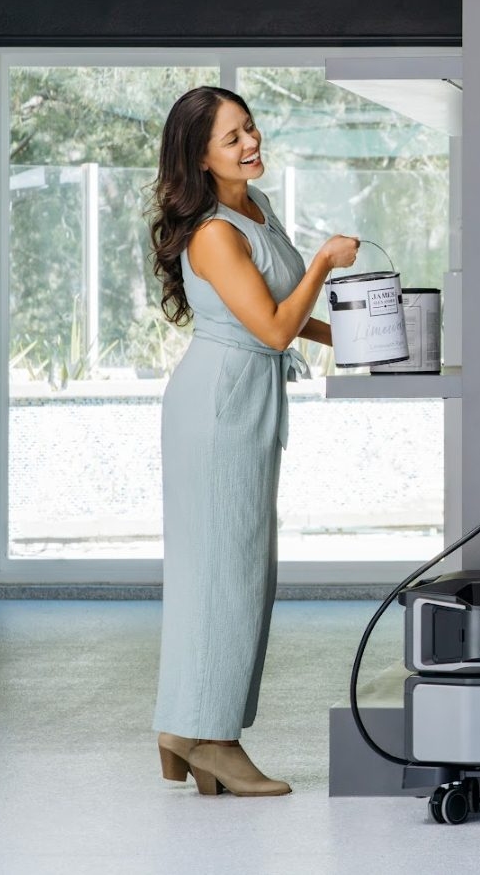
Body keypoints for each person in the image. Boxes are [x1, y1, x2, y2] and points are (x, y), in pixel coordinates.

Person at [146, 86, 360, 796]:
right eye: (232, 137)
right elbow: (271, 329)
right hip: (219, 406)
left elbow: (277, 310)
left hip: (243, 396)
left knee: (231, 570)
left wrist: (361, 338)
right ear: (200, 157)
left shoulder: (254, 208)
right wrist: (323, 263)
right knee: (227, 575)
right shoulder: (214, 233)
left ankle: (183, 728)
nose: (251, 142)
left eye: (251, 128)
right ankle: (211, 739)